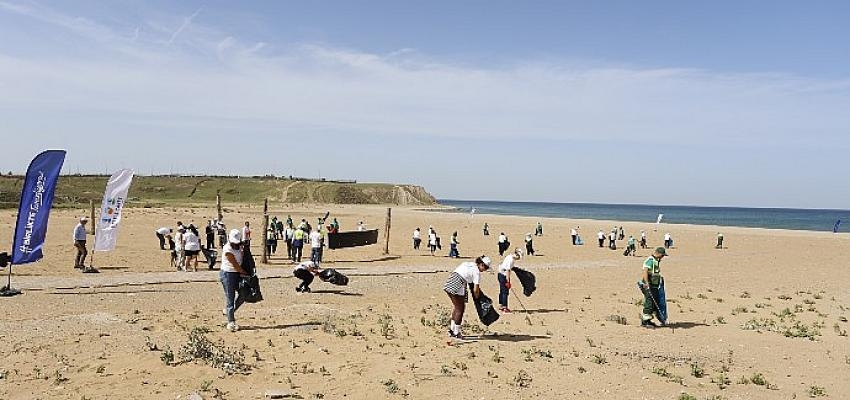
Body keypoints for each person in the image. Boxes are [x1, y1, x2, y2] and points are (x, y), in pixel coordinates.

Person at [443, 256, 492, 339]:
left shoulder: (469, 264)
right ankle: (456, 332)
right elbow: (476, 289)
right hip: (458, 284)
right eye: (485, 267)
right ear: (481, 264)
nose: (484, 270)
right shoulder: (476, 273)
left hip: (450, 281)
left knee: (457, 307)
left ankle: (452, 329)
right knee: (460, 309)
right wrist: (478, 298)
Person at [220, 229, 247, 332]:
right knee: (230, 297)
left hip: (238, 274)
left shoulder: (239, 246)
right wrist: (244, 273)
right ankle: (231, 322)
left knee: (244, 293)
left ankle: (229, 311)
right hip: (228, 274)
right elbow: (235, 264)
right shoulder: (227, 249)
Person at [639, 247, 667, 328]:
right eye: (662, 255)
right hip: (649, 285)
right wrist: (647, 283)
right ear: (658, 253)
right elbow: (645, 271)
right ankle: (645, 322)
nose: (662, 257)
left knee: (654, 302)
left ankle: (648, 320)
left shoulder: (656, 261)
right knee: (649, 302)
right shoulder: (650, 261)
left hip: (654, 286)